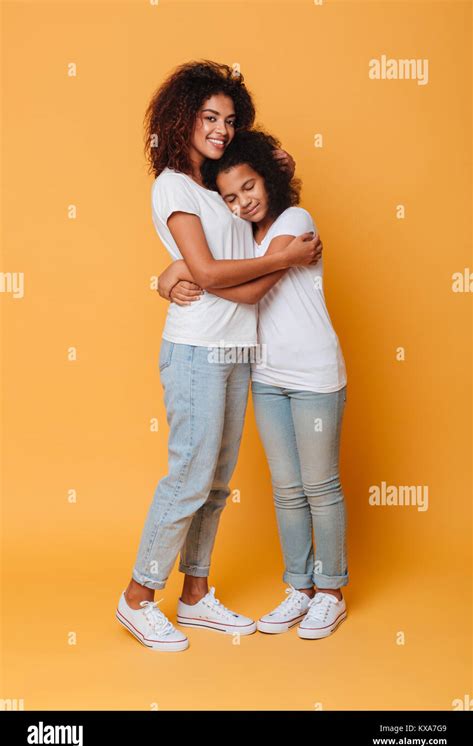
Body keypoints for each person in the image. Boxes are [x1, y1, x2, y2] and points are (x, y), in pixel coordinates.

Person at [115, 62, 321, 652]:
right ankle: (137, 596)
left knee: (215, 483)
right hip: (196, 349)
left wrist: (178, 273)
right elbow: (206, 270)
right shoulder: (173, 187)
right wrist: (278, 261)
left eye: (230, 121)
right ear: (182, 118)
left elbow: (220, 262)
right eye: (210, 117)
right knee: (188, 475)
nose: (222, 130)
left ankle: (196, 594)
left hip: (236, 348)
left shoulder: (219, 184)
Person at [159, 129, 348, 640]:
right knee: (287, 491)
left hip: (314, 377)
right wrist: (169, 274)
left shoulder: (295, 222)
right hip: (265, 375)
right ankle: (299, 589)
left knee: (319, 486)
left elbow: (249, 289)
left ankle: (330, 592)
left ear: (269, 177)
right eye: (231, 197)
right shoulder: (244, 234)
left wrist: (197, 270)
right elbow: (215, 267)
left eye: (250, 187)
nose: (243, 202)